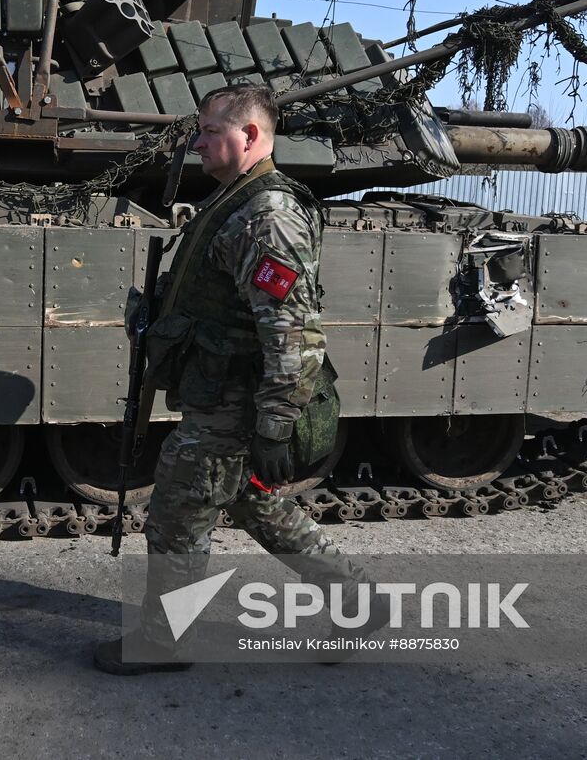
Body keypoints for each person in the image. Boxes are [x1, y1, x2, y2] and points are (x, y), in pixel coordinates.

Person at [93, 84, 375, 675]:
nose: (197, 142)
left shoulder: (267, 216)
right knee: (253, 505)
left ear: (248, 135)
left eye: (208, 130)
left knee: (176, 516)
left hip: (234, 402)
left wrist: (275, 426)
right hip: (222, 393)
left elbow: (292, 330)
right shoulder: (236, 202)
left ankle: (163, 643)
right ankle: (356, 600)